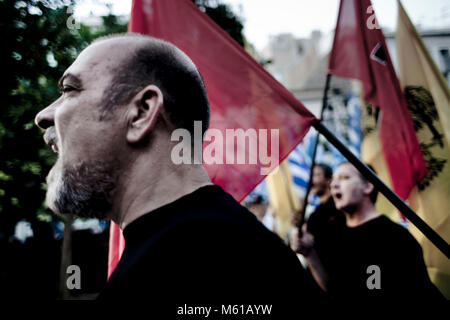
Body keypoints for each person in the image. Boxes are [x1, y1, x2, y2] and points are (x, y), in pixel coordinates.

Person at [34, 33, 323, 308]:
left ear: (141, 112)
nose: (43, 116)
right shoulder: (207, 248)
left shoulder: (200, 263)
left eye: (70, 90)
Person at [298, 162, 444, 300]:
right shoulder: (337, 238)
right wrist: (310, 254)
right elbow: (335, 289)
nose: (334, 185)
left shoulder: (393, 237)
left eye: (345, 178)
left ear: (368, 186)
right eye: (334, 180)